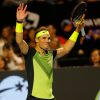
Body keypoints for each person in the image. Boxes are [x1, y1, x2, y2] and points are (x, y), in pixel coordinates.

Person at [15, 3, 85, 100]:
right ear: (36, 40)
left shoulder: (51, 54)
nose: (47, 40)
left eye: (48, 38)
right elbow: (19, 40)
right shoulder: (30, 52)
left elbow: (66, 49)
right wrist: (19, 22)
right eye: (43, 38)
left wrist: (77, 30)